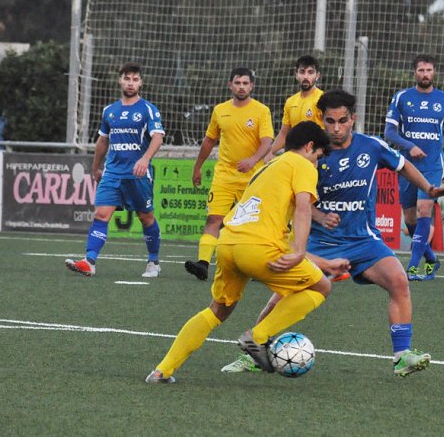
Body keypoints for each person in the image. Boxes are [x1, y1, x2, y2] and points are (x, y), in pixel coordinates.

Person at [222, 90, 444, 377]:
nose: (336, 128)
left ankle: (402, 355)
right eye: (330, 121)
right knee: (282, 295)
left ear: (353, 119)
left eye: (342, 121)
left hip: (363, 239)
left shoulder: (371, 146)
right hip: (320, 241)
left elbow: (403, 165)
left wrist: (429, 189)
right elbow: (294, 200)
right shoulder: (309, 154)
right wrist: (320, 215)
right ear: (322, 120)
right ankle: (252, 353)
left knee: (398, 279)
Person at [146, 121, 348, 383]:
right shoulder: (301, 165)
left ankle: (162, 370)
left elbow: (275, 238)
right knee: (321, 288)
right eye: (317, 156)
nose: (316, 163)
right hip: (257, 248)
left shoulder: (266, 168)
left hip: (229, 245)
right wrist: (300, 252)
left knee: (217, 311)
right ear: (310, 146)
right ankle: (258, 337)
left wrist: (324, 262)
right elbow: (303, 209)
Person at [65, 62, 165, 277]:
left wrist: (145, 159)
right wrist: (95, 168)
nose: (131, 83)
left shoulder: (148, 109)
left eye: (135, 79)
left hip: (137, 174)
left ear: (141, 83)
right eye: (127, 78)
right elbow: (103, 140)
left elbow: (158, 137)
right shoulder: (109, 111)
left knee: (146, 217)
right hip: (112, 173)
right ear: (120, 80)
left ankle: (153, 261)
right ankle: (89, 261)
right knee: (101, 215)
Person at [184, 68, 274, 281]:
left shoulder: (261, 111)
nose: (241, 87)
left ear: (252, 86)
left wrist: (253, 159)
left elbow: (267, 140)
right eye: (237, 83)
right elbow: (209, 140)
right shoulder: (220, 110)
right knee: (214, 218)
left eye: (245, 83)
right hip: (224, 175)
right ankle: (203, 264)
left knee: (254, 223)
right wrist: (197, 167)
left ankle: (257, 266)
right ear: (230, 85)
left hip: (253, 178)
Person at [383, 54, 444, 281]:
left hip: (432, 166)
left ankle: (413, 268)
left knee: (424, 210)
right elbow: (389, 132)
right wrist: (410, 145)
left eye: (428, 70)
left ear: (434, 72)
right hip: (406, 166)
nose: (425, 74)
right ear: (414, 72)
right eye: (421, 70)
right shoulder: (402, 98)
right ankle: (432, 259)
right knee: (410, 219)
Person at [265, 55, 323, 161]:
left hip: (318, 159)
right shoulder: (290, 102)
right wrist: (270, 152)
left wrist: (317, 153)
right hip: (296, 158)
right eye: (302, 72)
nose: (306, 76)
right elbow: (283, 133)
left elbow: (328, 133)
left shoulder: (322, 99)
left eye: (310, 72)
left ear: (317, 75)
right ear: (296, 75)